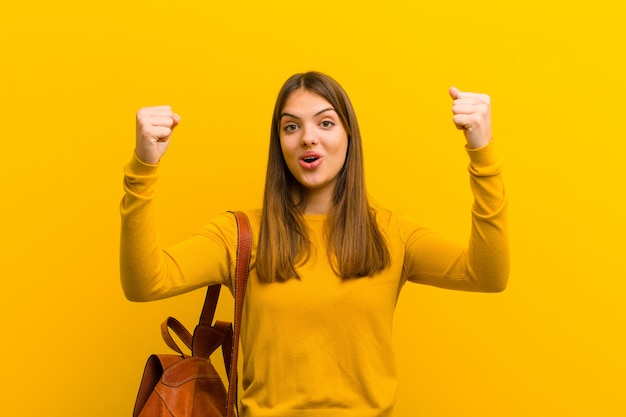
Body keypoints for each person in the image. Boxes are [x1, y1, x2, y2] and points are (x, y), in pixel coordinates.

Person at [120, 71, 509, 417]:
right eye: (291, 127)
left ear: (349, 136)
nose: (308, 137)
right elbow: (146, 282)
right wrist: (143, 167)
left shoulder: (393, 234)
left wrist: (482, 152)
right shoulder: (239, 234)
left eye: (325, 122)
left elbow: (487, 274)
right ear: (280, 144)